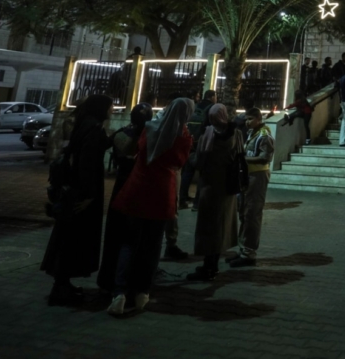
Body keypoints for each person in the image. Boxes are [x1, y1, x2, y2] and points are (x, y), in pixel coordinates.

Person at [106, 97, 193, 315]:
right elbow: (179, 163)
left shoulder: (150, 128)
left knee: (129, 243)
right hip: (161, 193)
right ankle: (142, 292)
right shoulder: (182, 136)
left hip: (137, 189)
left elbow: (139, 149)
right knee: (152, 246)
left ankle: (119, 293)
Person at [42, 94, 113, 306]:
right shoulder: (93, 128)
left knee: (69, 236)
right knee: (74, 238)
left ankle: (63, 283)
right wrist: (89, 195)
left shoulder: (86, 123)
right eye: (110, 107)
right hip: (82, 192)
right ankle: (61, 288)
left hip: (75, 188)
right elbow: (87, 162)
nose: (112, 110)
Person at [98, 102, 153, 293]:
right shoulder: (150, 136)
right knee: (135, 236)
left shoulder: (122, 133)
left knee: (115, 233)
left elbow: (107, 145)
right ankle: (129, 280)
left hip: (120, 185)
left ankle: (108, 277)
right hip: (140, 187)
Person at [188, 104, 241, 281]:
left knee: (208, 226)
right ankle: (214, 263)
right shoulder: (236, 134)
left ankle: (208, 265)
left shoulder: (208, 135)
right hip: (228, 186)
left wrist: (188, 156)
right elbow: (240, 157)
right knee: (221, 226)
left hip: (210, 186)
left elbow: (199, 161)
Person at [233, 107, 273, 267]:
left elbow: (265, 158)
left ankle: (249, 253)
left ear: (258, 119)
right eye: (246, 119)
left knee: (252, 213)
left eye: (250, 119)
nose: (247, 122)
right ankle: (243, 249)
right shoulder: (253, 133)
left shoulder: (264, 135)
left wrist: (242, 160)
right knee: (244, 212)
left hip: (257, 177)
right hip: (248, 177)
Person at [180, 90, 217, 210]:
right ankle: (197, 202)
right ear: (212, 97)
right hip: (203, 144)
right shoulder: (212, 108)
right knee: (202, 173)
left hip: (191, 142)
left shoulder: (196, 106)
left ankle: (182, 198)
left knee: (188, 171)